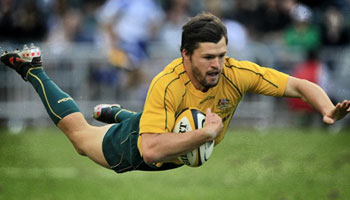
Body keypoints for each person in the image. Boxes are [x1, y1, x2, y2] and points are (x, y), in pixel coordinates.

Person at [1, 12, 349, 174]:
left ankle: (117, 113)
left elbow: (298, 85)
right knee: (80, 137)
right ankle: (33, 68)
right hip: (136, 149)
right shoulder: (166, 84)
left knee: (157, 121)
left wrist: (326, 109)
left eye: (222, 55)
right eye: (208, 57)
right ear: (186, 55)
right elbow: (151, 151)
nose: (218, 65)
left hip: (166, 130)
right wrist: (206, 133)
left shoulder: (237, 72)